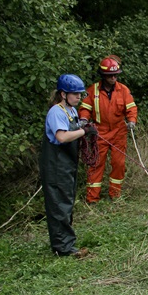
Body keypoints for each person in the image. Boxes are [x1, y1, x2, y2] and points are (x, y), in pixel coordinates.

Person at [40, 74, 97, 257]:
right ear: (63, 94)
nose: (79, 98)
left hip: (67, 164)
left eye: (80, 95)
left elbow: (74, 128)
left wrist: (85, 125)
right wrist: (83, 131)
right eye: (75, 95)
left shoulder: (71, 111)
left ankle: (66, 242)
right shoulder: (56, 111)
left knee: (66, 203)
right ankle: (62, 247)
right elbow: (62, 137)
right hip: (56, 165)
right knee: (59, 205)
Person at [78, 56, 138, 202]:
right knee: (96, 163)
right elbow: (85, 107)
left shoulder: (123, 90)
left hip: (119, 132)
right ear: (103, 76)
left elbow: (131, 108)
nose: (114, 78)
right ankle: (92, 198)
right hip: (100, 132)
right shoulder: (93, 90)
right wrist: (84, 119)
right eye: (111, 75)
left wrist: (131, 121)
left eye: (116, 74)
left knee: (119, 164)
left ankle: (115, 195)